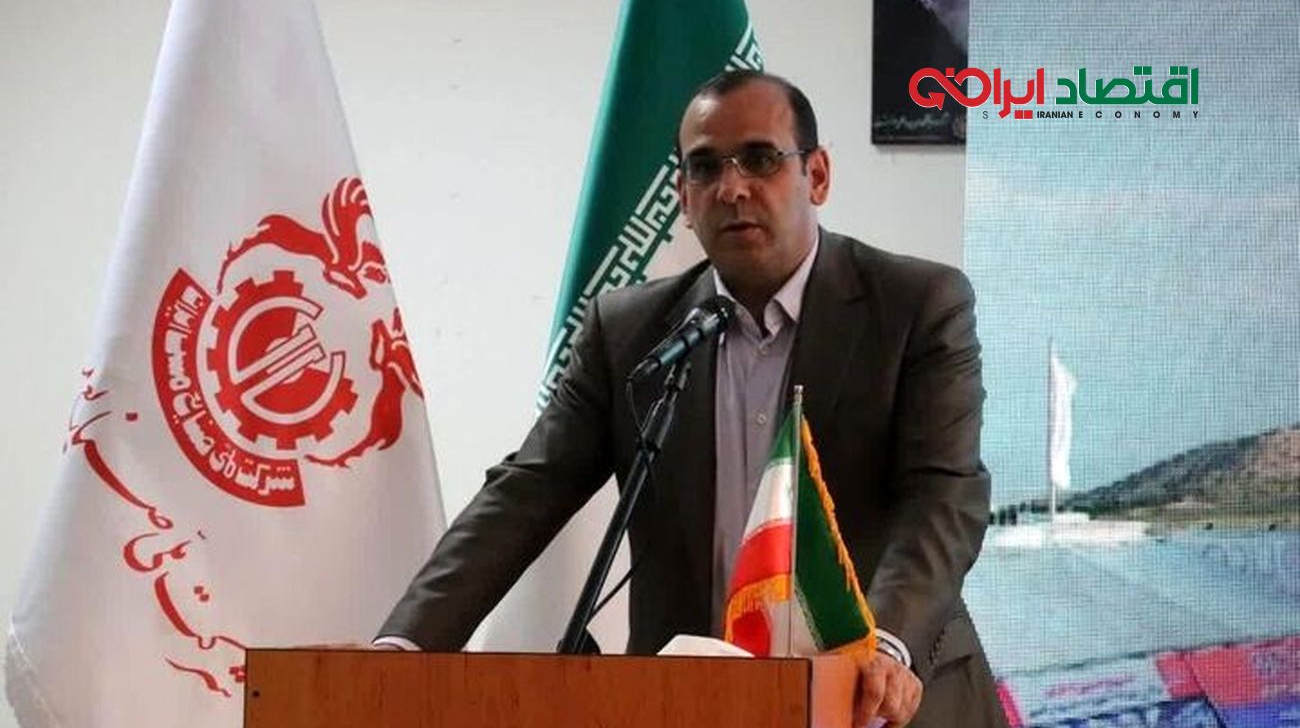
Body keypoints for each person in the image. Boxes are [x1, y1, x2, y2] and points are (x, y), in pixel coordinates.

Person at [377, 70, 1005, 727]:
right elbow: (528, 489)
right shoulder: (629, 332)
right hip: (695, 700)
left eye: (760, 159)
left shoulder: (916, 305)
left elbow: (943, 495)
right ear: (681, 196)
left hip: (883, 700)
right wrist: (404, 645)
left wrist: (886, 646)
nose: (732, 188)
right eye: (705, 168)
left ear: (816, 176)